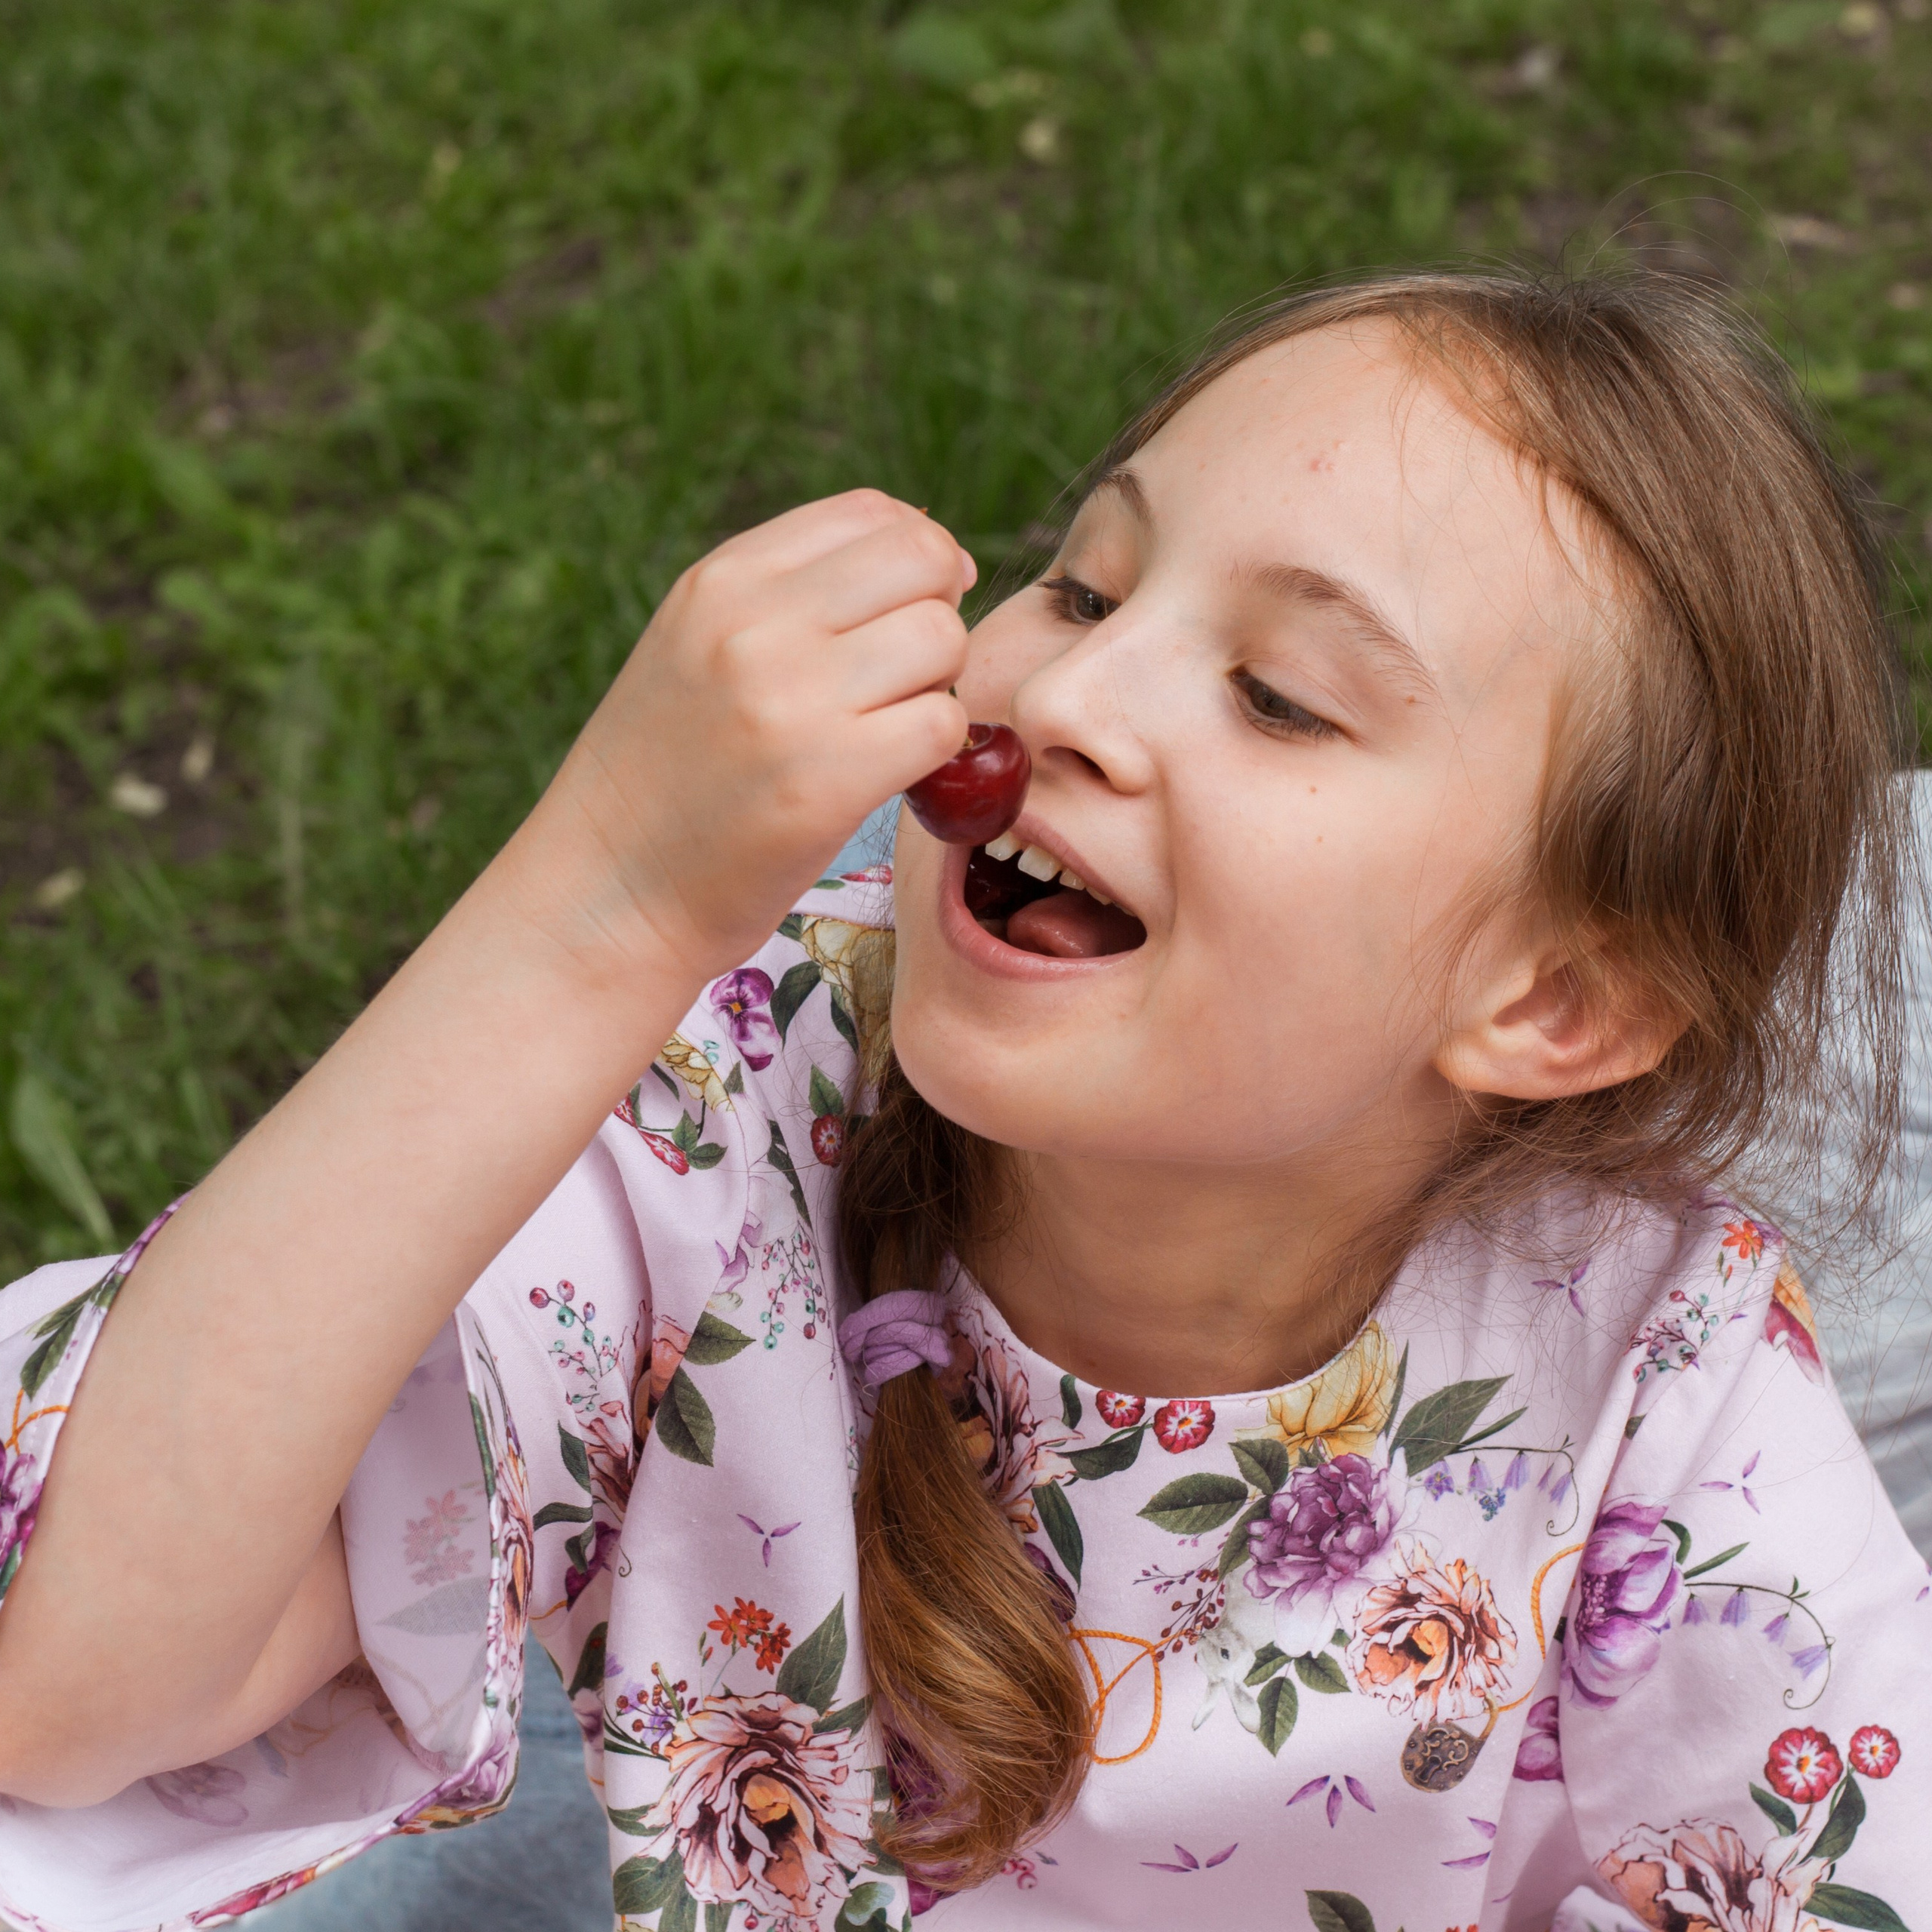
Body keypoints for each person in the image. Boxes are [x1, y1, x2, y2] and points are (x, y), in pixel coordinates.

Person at [0, 271, 1926, 1932]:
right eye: (1083, 586)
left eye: (1278, 696)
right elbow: (73, 1688)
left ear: (1557, 997)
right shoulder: (722, 1130)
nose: (1063, 697)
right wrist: (597, 909)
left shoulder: (1655, 1381)